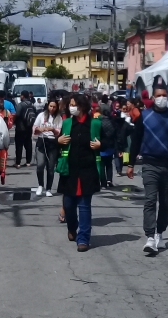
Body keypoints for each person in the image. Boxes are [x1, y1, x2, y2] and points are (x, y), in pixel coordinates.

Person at [128, 86, 168, 256]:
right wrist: (130, 163)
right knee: (150, 200)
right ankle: (149, 237)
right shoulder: (145, 116)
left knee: (165, 202)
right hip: (150, 165)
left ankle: (159, 233)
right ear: (153, 98)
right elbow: (136, 140)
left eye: (164, 95)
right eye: (158, 95)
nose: (161, 98)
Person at [57, 94, 102, 251]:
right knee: (68, 205)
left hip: (87, 170)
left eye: (74, 105)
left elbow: (111, 140)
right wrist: (58, 141)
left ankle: (83, 238)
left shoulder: (95, 124)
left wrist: (100, 145)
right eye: (70, 105)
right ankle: (72, 227)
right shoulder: (67, 123)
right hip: (69, 170)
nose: (71, 108)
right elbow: (60, 145)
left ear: (82, 107)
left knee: (84, 205)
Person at [33, 98, 62, 196]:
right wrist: (40, 129)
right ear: (47, 106)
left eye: (54, 107)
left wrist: (52, 130)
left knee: (50, 167)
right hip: (42, 141)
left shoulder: (59, 118)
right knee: (40, 165)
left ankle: (48, 189)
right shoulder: (41, 115)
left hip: (53, 142)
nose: (52, 108)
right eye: (51, 106)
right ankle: (40, 185)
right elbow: (34, 128)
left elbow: (58, 133)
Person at [13, 90, 37, 167]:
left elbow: (17, 114)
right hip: (29, 127)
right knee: (28, 144)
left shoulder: (21, 105)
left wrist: (14, 122)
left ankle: (18, 162)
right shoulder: (32, 105)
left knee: (19, 145)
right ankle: (28, 162)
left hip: (20, 128)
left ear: (22, 96)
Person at [98, 108, 116, 188]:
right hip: (110, 145)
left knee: (101, 165)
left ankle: (103, 182)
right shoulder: (112, 122)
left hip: (101, 146)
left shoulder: (99, 123)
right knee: (109, 164)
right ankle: (109, 179)